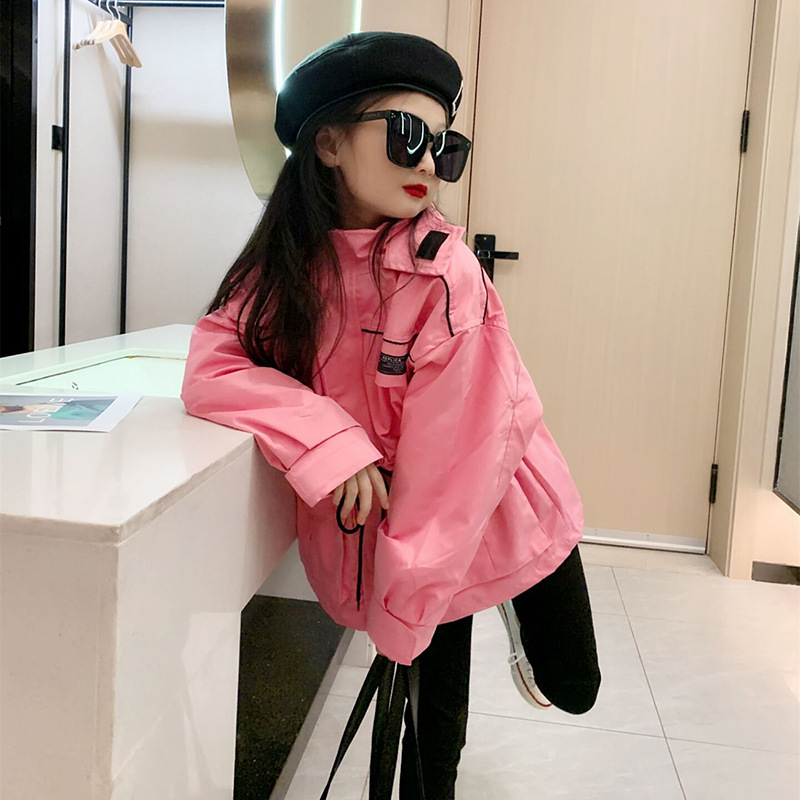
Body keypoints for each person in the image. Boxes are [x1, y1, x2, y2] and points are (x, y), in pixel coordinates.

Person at [181, 31, 600, 799]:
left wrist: (405, 611)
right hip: (411, 517)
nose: (429, 165)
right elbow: (213, 363)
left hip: (494, 498)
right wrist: (327, 438)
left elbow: (458, 470)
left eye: (446, 148)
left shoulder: (447, 276)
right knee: (432, 705)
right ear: (329, 144)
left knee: (574, 685)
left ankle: (492, 596)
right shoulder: (287, 267)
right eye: (408, 135)